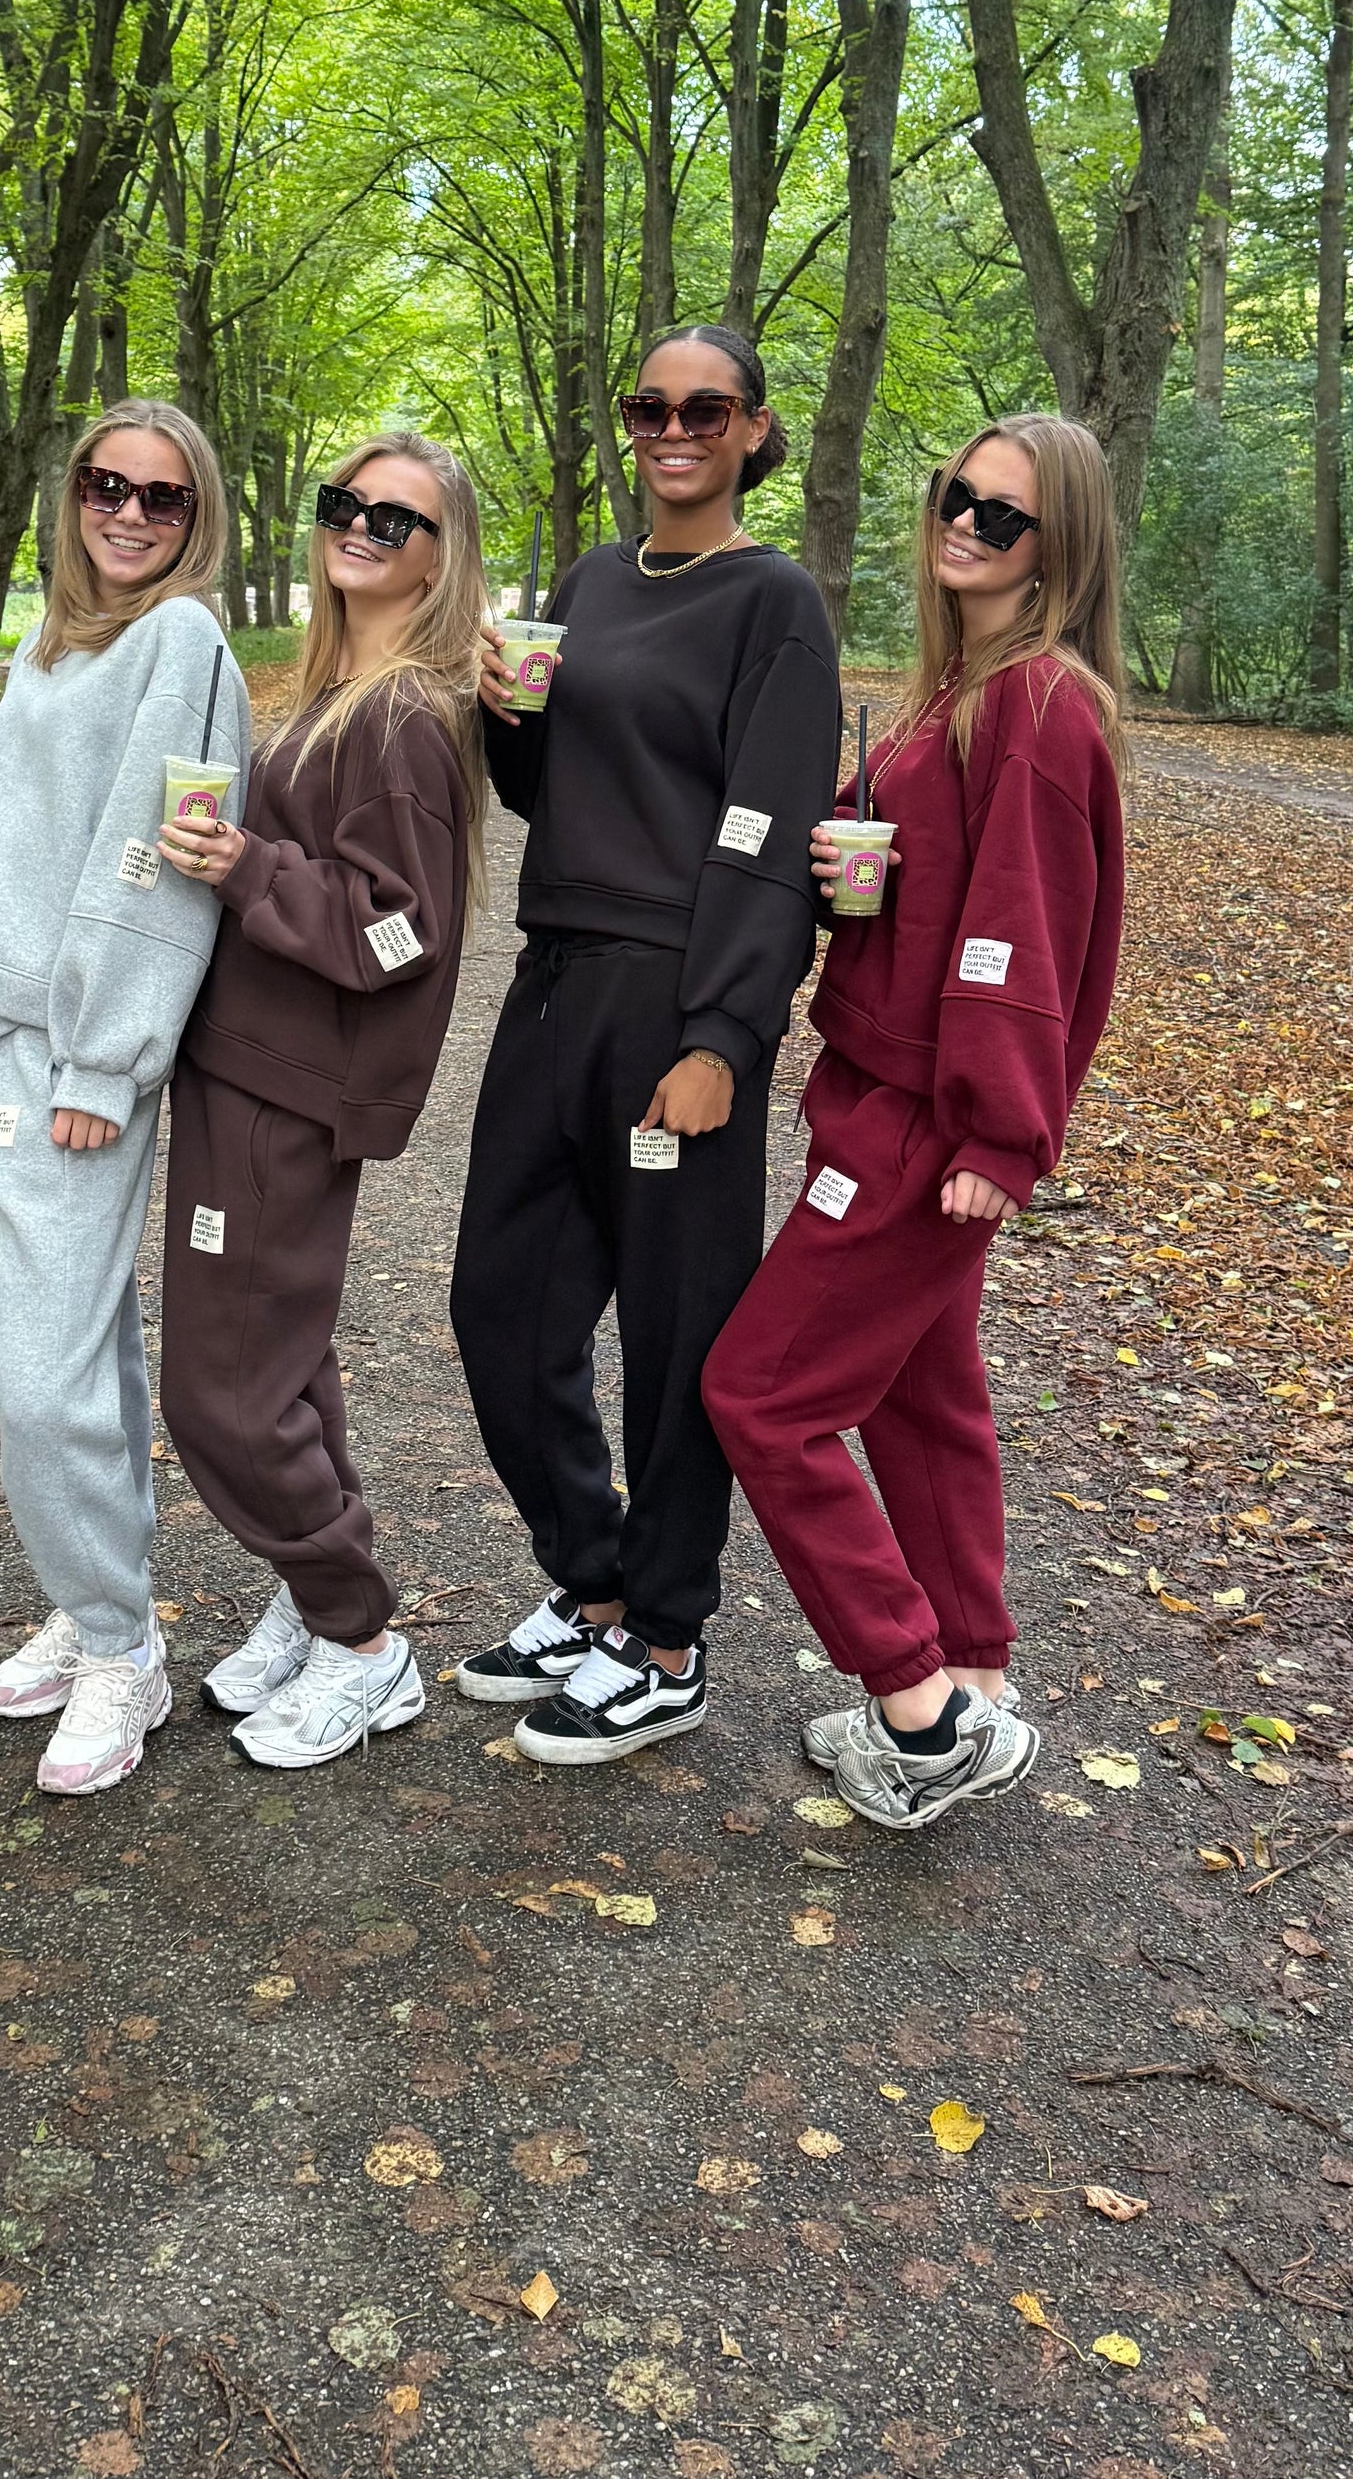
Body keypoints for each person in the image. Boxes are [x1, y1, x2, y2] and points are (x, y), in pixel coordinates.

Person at [702, 414, 1126, 1831]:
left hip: (923, 1123)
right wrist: (849, 865)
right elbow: (931, 885)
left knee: (760, 1395)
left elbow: (1024, 937)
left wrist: (1000, 1140)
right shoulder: (959, 689)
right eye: (957, 497)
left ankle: (916, 1707)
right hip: (888, 1100)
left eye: (1002, 516)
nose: (966, 525)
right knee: (921, 1397)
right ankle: (972, 1680)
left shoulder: (1038, 707)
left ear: (1057, 546)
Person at [448, 326, 841, 1762]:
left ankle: (667, 1638)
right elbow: (540, 788)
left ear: (753, 430)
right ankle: (593, 1579)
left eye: (705, 410)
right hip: (554, 983)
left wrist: (725, 1033)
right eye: (649, 408)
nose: (673, 430)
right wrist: (505, 716)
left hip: (677, 1000)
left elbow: (773, 827)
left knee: (677, 1333)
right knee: (501, 1304)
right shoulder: (592, 581)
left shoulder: (773, 601)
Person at [0, 399, 249, 1798]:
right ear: (75, 496)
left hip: (64, 1053)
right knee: (65, 1350)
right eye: (108, 486)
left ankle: (119, 1649)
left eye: (163, 498)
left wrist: (106, 1057)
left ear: (196, 516)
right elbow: (11, 841)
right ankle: (95, 1604)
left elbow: (158, 856)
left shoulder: (182, 640)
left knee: (41, 1384)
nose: (129, 514)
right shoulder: (59, 634)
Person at [154, 433, 489, 1770]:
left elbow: (398, 933)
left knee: (223, 1389)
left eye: (396, 518)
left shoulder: (400, 718)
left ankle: (361, 1643)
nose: (360, 527)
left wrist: (244, 866)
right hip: (244, 1066)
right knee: (278, 1362)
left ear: (442, 555)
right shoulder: (331, 689)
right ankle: (316, 1602)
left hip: (284, 1091)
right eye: (344, 504)